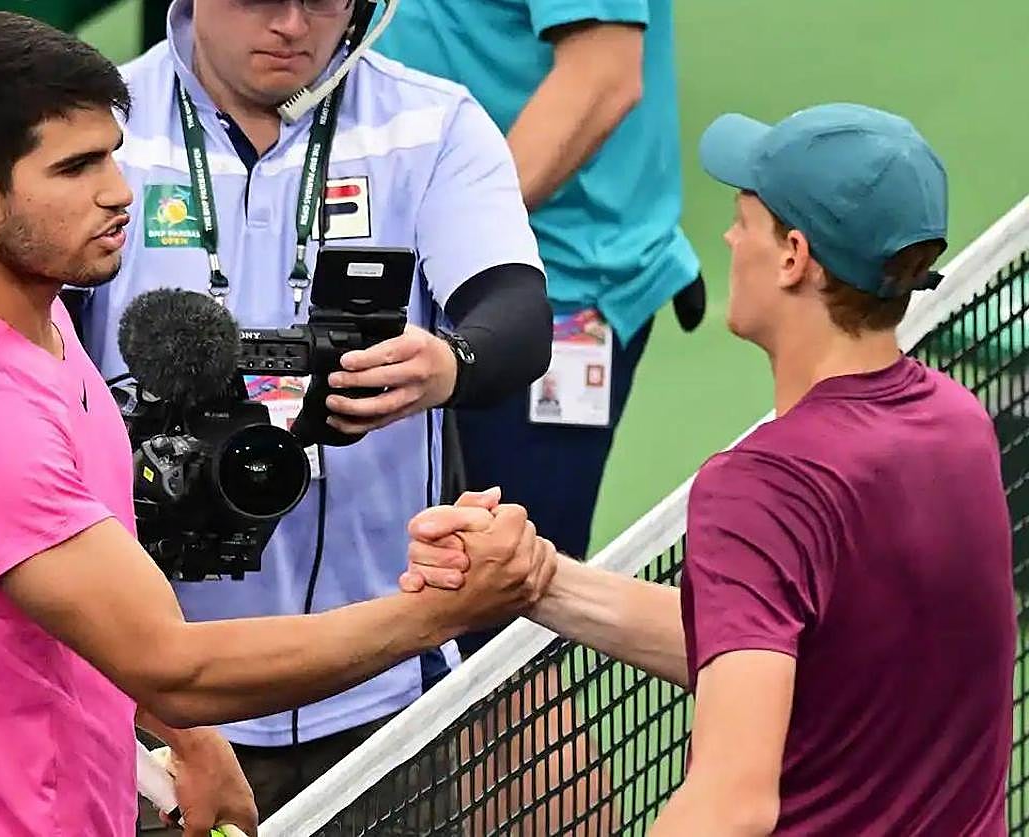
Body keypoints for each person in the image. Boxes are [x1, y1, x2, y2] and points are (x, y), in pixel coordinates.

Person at [0, 11, 553, 836]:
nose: (119, 191)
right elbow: (172, 664)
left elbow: (96, 614)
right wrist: (443, 612)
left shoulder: (40, 333)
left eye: (111, 155)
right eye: (76, 167)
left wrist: (188, 735)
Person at [406, 103, 1016, 834]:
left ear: (793, 256)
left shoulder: (763, 487)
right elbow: (769, 645)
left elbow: (730, 806)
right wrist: (538, 577)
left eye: (743, 219)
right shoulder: (957, 423)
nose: (727, 238)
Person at [73, 0, 554, 817]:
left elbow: (516, 312)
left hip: (380, 691)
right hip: (152, 702)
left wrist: (449, 363)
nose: (294, 25)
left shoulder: (431, 124)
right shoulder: (99, 129)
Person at [377, 0, 706, 600]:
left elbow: (602, 76)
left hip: (547, 293)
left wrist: (455, 230)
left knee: (506, 606)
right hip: (420, 277)